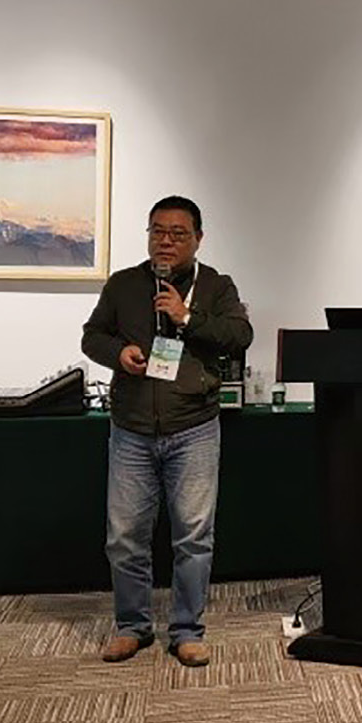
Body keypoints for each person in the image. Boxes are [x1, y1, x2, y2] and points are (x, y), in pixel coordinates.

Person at [81, 196, 253, 667]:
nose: (166, 241)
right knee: (124, 537)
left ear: (198, 238)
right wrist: (118, 355)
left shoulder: (216, 285)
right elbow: (92, 336)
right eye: (157, 231)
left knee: (193, 537)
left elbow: (240, 335)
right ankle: (132, 626)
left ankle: (187, 631)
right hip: (132, 429)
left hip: (193, 428)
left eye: (178, 233)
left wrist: (186, 317)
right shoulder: (123, 285)